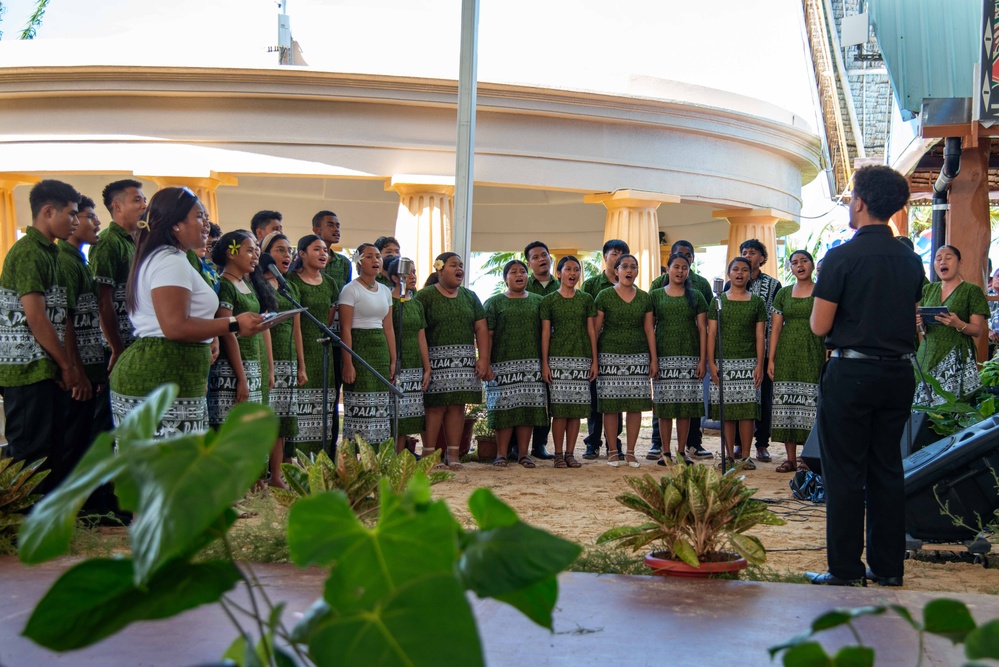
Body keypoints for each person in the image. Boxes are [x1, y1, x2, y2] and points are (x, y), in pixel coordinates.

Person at [807, 164, 924, 587]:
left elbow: (819, 326)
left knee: (845, 474)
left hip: (851, 371)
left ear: (860, 201)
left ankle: (845, 569)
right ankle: (889, 568)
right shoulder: (911, 261)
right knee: (887, 470)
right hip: (897, 373)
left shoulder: (841, 257)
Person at [109, 187, 265, 437]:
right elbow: (175, 326)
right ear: (176, 225)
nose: (207, 224)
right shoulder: (169, 260)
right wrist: (233, 324)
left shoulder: (173, 257)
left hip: (175, 370)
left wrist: (208, 341)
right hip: (160, 372)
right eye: (199, 217)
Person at [0, 180, 84, 491]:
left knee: (49, 452)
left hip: (43, 366)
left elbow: (60, 318)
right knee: (28, 454)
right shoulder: (28, 252)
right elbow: (36, 317)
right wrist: (66, 365)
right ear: (48, 212)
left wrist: (64, 364)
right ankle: (21, 530)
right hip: (25, 369)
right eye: (72, 214)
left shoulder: (50, 253)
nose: (75, 222)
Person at [414, 252, 489, 469]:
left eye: (461, 265)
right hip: (434, 361)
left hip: (464, 360)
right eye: (453, 265)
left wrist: (483, 358)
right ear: (440, 269)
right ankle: (430, 456)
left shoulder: (470, 296)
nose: (459, 269)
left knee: (457, 406)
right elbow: (418, 330)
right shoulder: (425, 296)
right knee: (434, 407)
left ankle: (453, 455)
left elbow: (481, 327)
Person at [57, 195, 109, 486]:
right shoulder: (65, 260)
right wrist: (76, 372)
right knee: (72, 441)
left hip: (90, 368)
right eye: (89, 216)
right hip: (78, 373)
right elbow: (66, 321)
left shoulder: (79, 260)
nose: (96, 222)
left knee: (85, 439)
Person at [649, 240, 714, 460]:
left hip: (690, 356)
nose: (680, 271)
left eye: (684, 268)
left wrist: (702, 360)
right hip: (664, 357)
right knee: (665, 408)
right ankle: (665, 452)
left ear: (689, 271)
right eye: (676, 267)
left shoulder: (697, 296)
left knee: (686, 408)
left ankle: (681, 452)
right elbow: (650, 329)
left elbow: (703, 329)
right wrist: (654, 360)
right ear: (667, 269)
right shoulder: (656, 295)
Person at [594, 254, 657, 468]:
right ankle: (612, 451)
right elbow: (594, 330)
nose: (629, 270)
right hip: (609, 355)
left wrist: (653, 359)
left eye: (633, 267)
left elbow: (649, 329)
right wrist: (594, 359)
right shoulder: (604, 295)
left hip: (638, 356)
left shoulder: (645, 298)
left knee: (635, 405)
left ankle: (630, 452)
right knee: (610, 406)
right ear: (616, 270)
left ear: (637, 272)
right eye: (625, 267)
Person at [484, 260, 548, 468]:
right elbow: (488, 335)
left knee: (526, 409)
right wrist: (486, 362)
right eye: (513, 272)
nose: (519, 275)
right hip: (501, 364)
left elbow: (546, 333)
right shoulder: (494, 303)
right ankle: (501, 454)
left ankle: (523, 454)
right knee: (503, 409)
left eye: (522, 271)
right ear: (505, 278)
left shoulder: (539, 301)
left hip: (531, 365)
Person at [207, 230, 274, 430]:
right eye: (250, 251)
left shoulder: (246, 284)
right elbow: (227, 331)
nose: (256, 257)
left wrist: (268, 368)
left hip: (253, 364)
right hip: (233, 370)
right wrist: (241, 378)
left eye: (256, 252)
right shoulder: (225, 284)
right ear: (231, 253)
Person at [767, 250, 824, 472]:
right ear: (790, 268)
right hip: (787, 353)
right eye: (794, 263)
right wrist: (771, 359)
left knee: (812, 405)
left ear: (811, 265)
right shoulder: (783, 293)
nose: (799, 265)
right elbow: (775, 329)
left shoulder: (822, 290)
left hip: (814, 350)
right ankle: (790, 459)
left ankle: (807, 458)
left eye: (804, 261)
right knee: (786, 406)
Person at [707, 257, 766, 469]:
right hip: (724, 362)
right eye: (735, 269)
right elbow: (711, 333)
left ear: (750, 274)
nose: (739, 273)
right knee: (728, 412)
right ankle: (728, 456)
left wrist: (760, 364)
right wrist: (711, 363)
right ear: (729, 273)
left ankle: (746, 457)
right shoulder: (718, 301)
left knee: (747, 412)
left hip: (749, 362)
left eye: (744, 270)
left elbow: (760, 336)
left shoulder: (757, 302)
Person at [541, 255, 597, 469]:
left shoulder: (585, 299)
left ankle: (570, 454)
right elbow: (545, 334)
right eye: (569, 269)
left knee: (576, 410)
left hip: (581, 359)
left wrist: (594, 361)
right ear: (559, 273)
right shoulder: (549, 301)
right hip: (557, 360)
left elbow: (592, 330)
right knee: (560, 411)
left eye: (577, 270)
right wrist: (545, 363)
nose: (573, 274)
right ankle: (557, 454)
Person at [914, 245, 988, 405]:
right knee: (922, 407)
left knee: (953, 409)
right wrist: (919, 323)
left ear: (959, 262)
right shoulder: (928, 289)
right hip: (927, 355)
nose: (942, 262)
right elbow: (922, 329)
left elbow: (977, 330)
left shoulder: (971, 291)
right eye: (938, 258)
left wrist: (959, 324)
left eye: (948, 257)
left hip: (956, 357)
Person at [286, 235, 340, 454]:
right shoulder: (291, 279)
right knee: (299, 405)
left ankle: (320, 460)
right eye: (317, 249)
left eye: (325, 250)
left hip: (322, 349)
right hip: (297, 345)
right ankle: (294, 457)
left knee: (323, 406)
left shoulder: (330, 283)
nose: (323, 254)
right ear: (301, 254)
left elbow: (328, 318)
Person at [339, 243, 396, 445]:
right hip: (359, 348)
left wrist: (392, 360)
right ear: (359, 262)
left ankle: (377, 454)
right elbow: (345, 329)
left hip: (380, 348)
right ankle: (356, 455)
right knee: (360, 404)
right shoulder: (350, 290)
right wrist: (348, 362)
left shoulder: (385, 291)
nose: (376, 260)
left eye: (378, 256)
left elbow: (388, 328)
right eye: (369, 257)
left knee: (379, 404)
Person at [261, 232, 307, 480]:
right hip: (268, 356)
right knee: (266, 420)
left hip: (288, 360)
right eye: (280, 250)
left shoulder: (289, 287)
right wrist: (269, 367)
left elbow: (297, 329)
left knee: (282, 421)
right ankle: (259, 476)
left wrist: (301, 365)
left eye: (288, 250)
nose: (286, 255)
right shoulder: (258, 283)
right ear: (266, 254)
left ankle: (277, 477)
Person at [91, 179, 147, 372]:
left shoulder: (137, 242)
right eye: (137, 200)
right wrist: (116, 347)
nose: (144, 205)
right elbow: (103, 299)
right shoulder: (108, 241)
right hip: (118, 345)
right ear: (117, 206)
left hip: (138, 340)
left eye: (144, 200)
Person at [581, 239, 629, 459]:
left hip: (620, 350)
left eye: (622, 255)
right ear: (605, 257)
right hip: (594, 349)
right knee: (593, 398)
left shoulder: (631, 287)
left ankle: (614, 441)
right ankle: (593, 441)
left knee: (615, 398)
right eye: (613, 253)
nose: (617, 258)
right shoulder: (591, 285)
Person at [386, 257, 431, 453]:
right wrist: (392, 361)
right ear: (395, 277)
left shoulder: (416, 303)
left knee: (404, 415)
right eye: (408, 272)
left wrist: (427, 367)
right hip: (394, 362)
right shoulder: (388, 301)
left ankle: (400, 455)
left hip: (414, 363)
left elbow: (421, 336)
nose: (413, 276)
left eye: (414, 272)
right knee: (392, 412)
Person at [523, 240, 559, 460]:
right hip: (528, 351)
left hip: (557, 351)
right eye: (535, 257)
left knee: (550, 400)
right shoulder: (522, 286)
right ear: (529, 263)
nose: (541, 259)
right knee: (528, 397)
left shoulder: (562, 284)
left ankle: (540, 444)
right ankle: (520, 446)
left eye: (544, 255)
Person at [987, 268, 999, 358]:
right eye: (997, 276)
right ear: (993, 279)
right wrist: (987, 331)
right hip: (986, 345)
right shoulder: (985, 296)